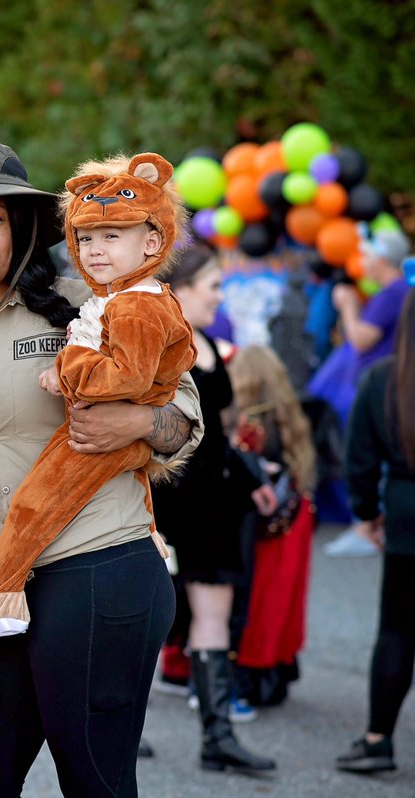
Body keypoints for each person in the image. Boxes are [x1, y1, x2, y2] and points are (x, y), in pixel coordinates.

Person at [0, 141, 202, 796]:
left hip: (97, 566)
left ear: (22, 226)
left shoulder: (89, 305)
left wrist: (139, 422)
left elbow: (185, 422)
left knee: (94, 781)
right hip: (0, 582)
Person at [0, 152, 196, 637]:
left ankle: (2, 589)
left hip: (98, 563)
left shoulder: (98, 300)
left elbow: (181, 411)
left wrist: (140, 424)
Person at [150, 244, 278, 773]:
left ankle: (217, 737)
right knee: (148, 618)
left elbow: (222, 433)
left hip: (216, 504)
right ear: (181, 289)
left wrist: (253, 480)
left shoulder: (206, 343)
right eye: (214, 287)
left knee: (214, 616)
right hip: (169, 501)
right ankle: (118, 724)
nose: (221, 297)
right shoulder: (156, 347)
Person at [335, 290, 415, 773]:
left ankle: (377, 738)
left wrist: (367, 513)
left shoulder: (385, 380)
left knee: (398, 630)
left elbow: (359, 462)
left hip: (405, 516)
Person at [226, 345, 318, 712]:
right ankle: (277, 672)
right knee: (285, 602)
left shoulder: (248, 424)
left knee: (259, 602)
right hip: (297, 518)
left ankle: (249, 678)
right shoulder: (289, 416)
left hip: (261, 524)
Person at [310, 228, 411, 556]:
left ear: (381, 258)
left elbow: (361, 338)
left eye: (367, 254)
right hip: (384, 389)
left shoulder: (392, 293)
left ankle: (367, 527)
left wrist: (348, 306)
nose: (362, 262)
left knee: (369, 457)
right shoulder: (393, 292)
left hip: (379, 391)